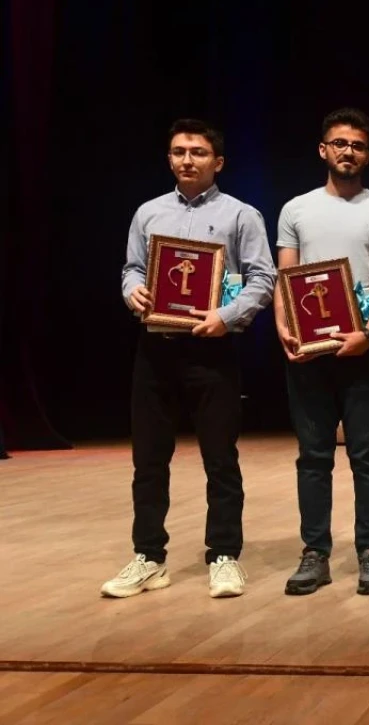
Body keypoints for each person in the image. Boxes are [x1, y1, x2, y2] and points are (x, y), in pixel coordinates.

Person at [103, 118, 276, 599]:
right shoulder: (148, 213)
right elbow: (132, 267)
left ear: (217, 162)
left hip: (213, 348)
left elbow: (264, 278)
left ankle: (223, 556)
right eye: (179, 151)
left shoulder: (242, 215)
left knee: (220, 458)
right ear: (169, 158)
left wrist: (226, 316)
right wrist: (131, 290)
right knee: (149, 460)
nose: (187, 160)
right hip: (155, 347)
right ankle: (149, 557)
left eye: (198, 152)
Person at [275, 107, 369, 596]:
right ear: (323, 150)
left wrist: (368, 335)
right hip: (310, 354)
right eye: (339, 143)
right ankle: (315, 553)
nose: (347, 151)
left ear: (367, 155)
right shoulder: (296, 209)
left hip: (367, 352)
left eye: (356, 145)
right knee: (312, 458)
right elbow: (285, 278)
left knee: (367, 456)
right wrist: (284, 330)